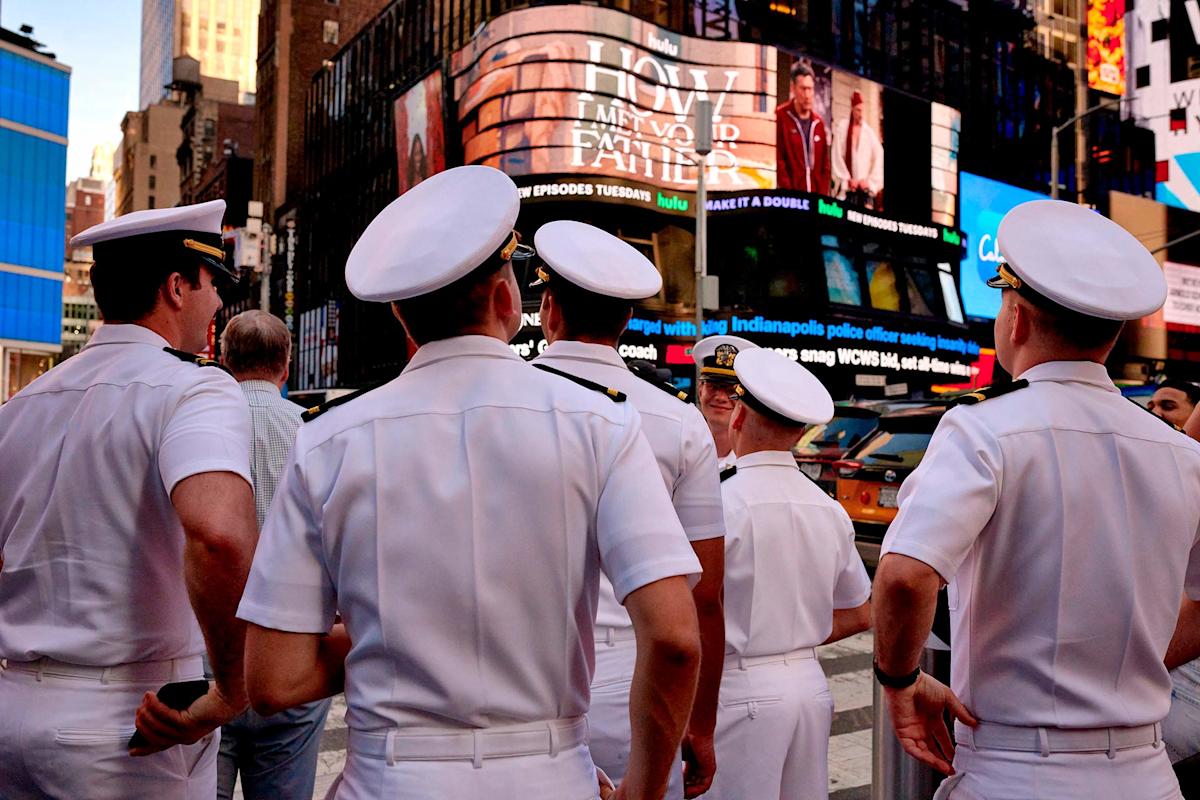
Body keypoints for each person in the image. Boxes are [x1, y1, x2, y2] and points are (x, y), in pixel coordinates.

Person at [235, 166, 703, 800]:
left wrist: (391, 636)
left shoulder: (327, 439)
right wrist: (644, 792)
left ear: (400, 314)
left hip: (388, 778)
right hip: (549, 776)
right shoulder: (601, 420)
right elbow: (674, 638)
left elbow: (274, 681)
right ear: (508, 301)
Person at [873, 199, 1200, 799]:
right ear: (1114, 332)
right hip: (1147, 775)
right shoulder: (1183, 454)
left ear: (1016, 318)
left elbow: (903, 578)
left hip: (1015, 771)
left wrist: (899, 679)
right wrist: (1127, 668)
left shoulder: (983, 429)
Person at [0, 200, 257, 799]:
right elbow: (219, 534)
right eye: (211, 283)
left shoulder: (19, 409)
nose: (218, 302)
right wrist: (231, 687)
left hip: (12, 714)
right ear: (176, 287)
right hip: (132, 724)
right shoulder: (194, 388)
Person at [531, 220, 726, 798]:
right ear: (625, 320)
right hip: (641, 683)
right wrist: (701, 723)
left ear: (548, 309)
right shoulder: (680, 421)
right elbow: (705, 598)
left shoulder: (506, 399)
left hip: (530, 678)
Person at [701, 348, 871, 800]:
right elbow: (859, 612)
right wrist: (796, 633)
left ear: (737, 417)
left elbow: (696, 608)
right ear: (799, 433)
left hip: (738, 686)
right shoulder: (828, 508)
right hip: (808, 685)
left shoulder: (720, 502)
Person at [214, 310, 332, 800]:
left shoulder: (198, 425)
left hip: (209, 662)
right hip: (291, 660)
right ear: (286, 367)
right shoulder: (317, 434)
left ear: (223, 360)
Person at [692, 335, 759, 470]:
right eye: (714, 387)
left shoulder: (755, 462)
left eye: (730, 390)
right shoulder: (681, 450)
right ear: (700, 390)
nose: (721, 397)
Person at [775, 60, 831, 194]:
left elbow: (825, 166)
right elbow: (779, 160)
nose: (807, 95)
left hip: (815, 201)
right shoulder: (781, 116)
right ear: (793, 88)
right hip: (790, 200)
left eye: (810, 89)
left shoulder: (818, 123)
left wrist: (821, 198)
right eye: (803, 89)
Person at [831, 90, 884, 209]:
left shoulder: (868, 133)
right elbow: (836, 155)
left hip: (864, 188)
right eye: (858, 110)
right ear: (852, 109)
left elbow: (880, 156)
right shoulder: (843, 128)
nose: (861, 114)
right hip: (848, 188)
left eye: (862, 110)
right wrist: (847, 179)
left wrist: (869, 182)